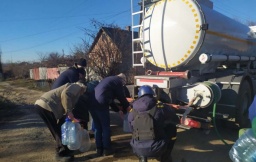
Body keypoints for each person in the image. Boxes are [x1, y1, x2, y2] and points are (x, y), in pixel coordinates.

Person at [34, 81, 86, 161]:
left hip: (43, 105)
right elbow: (66, 94)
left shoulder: (72, 89)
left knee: (59, 129)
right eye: (82, 92)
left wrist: (72, 118)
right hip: (47, 106)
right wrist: (69, 111)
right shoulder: (77, 87)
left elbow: (64, 101)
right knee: (57, 131)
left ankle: (63, 151)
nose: (81, 94)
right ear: (83, 89)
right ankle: (61, 154)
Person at [128, 85, 179, 162]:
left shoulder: (132, 112)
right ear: (152, 95)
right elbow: (174, 118)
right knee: (172, 128)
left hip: (137, 148)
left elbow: (131, 129)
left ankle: (142, 157)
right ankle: (166, 158)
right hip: (158, 147)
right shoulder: (160, 107)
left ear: (139, 96)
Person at [90, 73, 132, 156]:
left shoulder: (109, 80)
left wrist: (117, 109)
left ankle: (99, 149)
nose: (123, 85)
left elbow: (110, 99)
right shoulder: (117, 81)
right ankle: (106, 149)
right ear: (122, 80)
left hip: (92, 102)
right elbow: (121, 97)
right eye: (123, 83)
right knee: (105, 127)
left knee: (98, 127)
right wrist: (128, 107)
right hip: (101, 103)